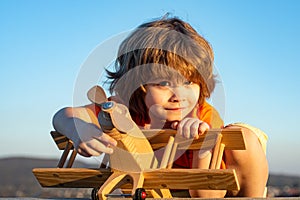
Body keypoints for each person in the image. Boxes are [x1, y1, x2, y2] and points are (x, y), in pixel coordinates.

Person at [53, 16, 268, 197]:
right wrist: (77, 129)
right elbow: (64, 115)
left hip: (208, 190)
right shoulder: (123, 111)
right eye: (164, 83)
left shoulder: (202, 115)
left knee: (244, 139)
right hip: (151, 188)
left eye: (189, 82)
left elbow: (207, 195)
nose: (179, 96)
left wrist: (200, 140)